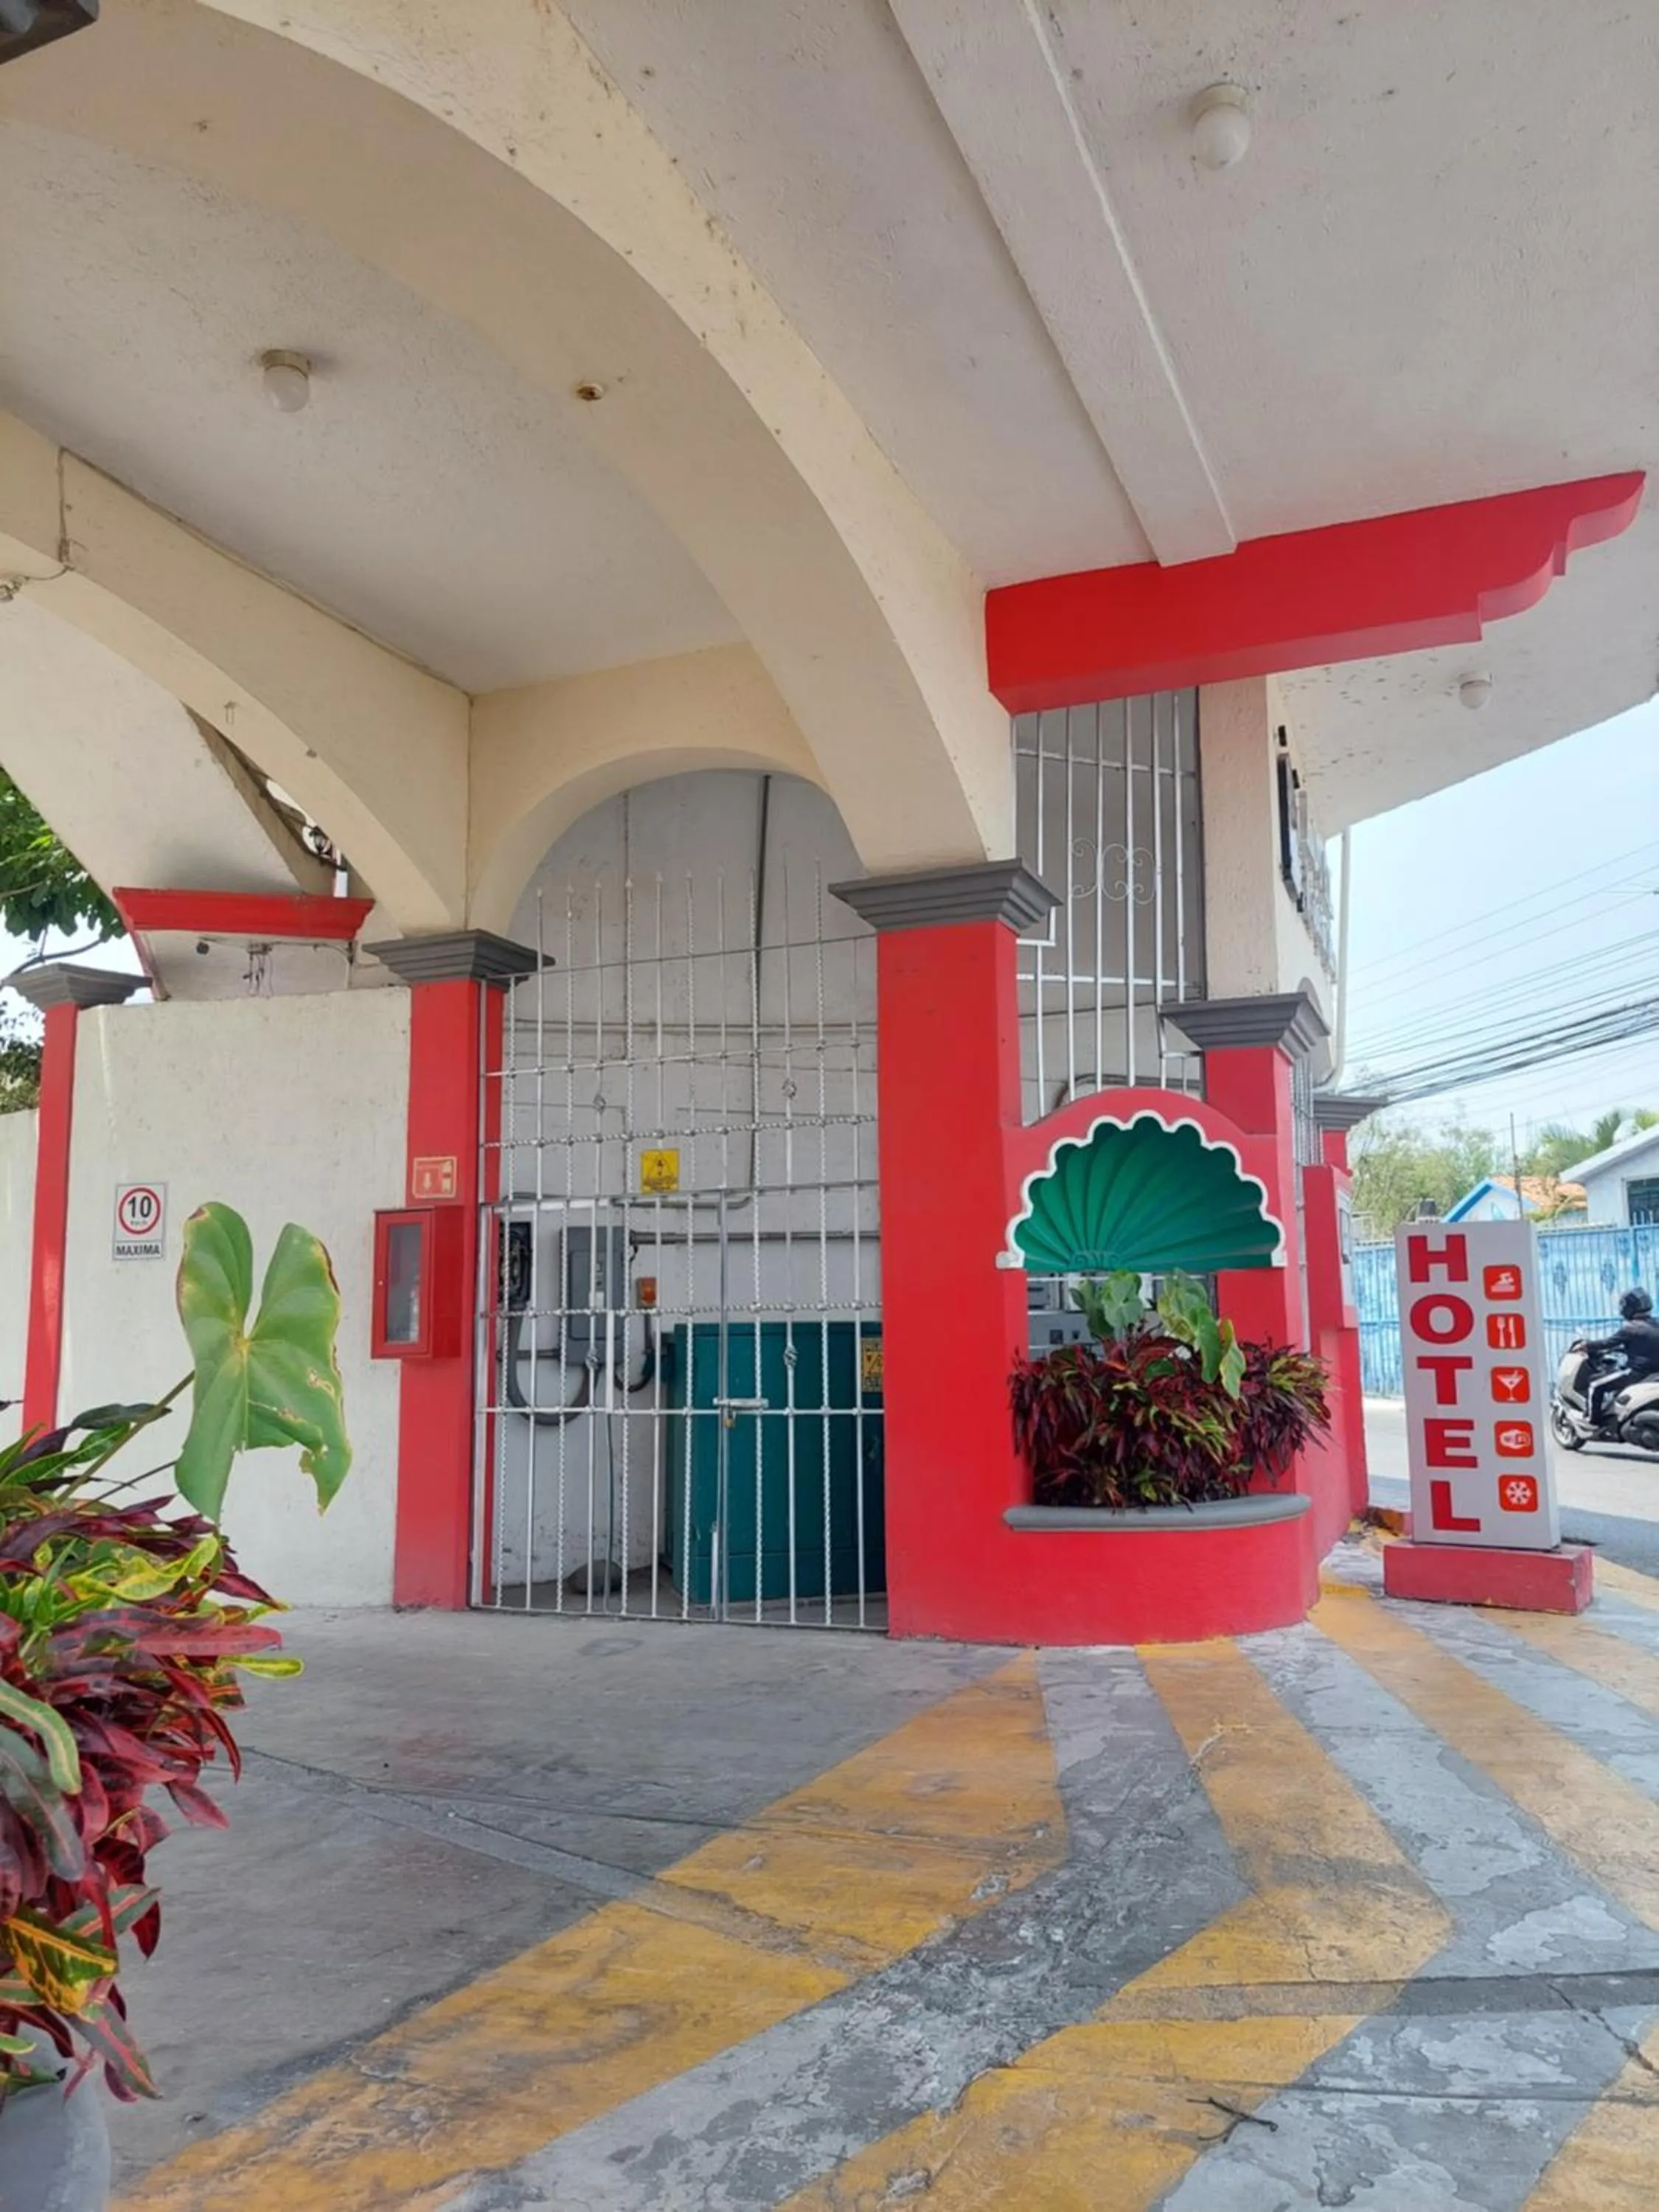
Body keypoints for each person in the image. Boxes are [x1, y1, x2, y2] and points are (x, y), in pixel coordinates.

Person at [1586, 1288, 1659, 1428]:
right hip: (1654, 1374)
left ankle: (1593, 1422)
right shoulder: (1656, 1325)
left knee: (1595, 1386)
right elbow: (1643, 1346)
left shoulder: (1630, 1328)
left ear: (1629, 1308)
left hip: (1636, 1374)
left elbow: (1606, 1343)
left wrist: (1586, 1345)